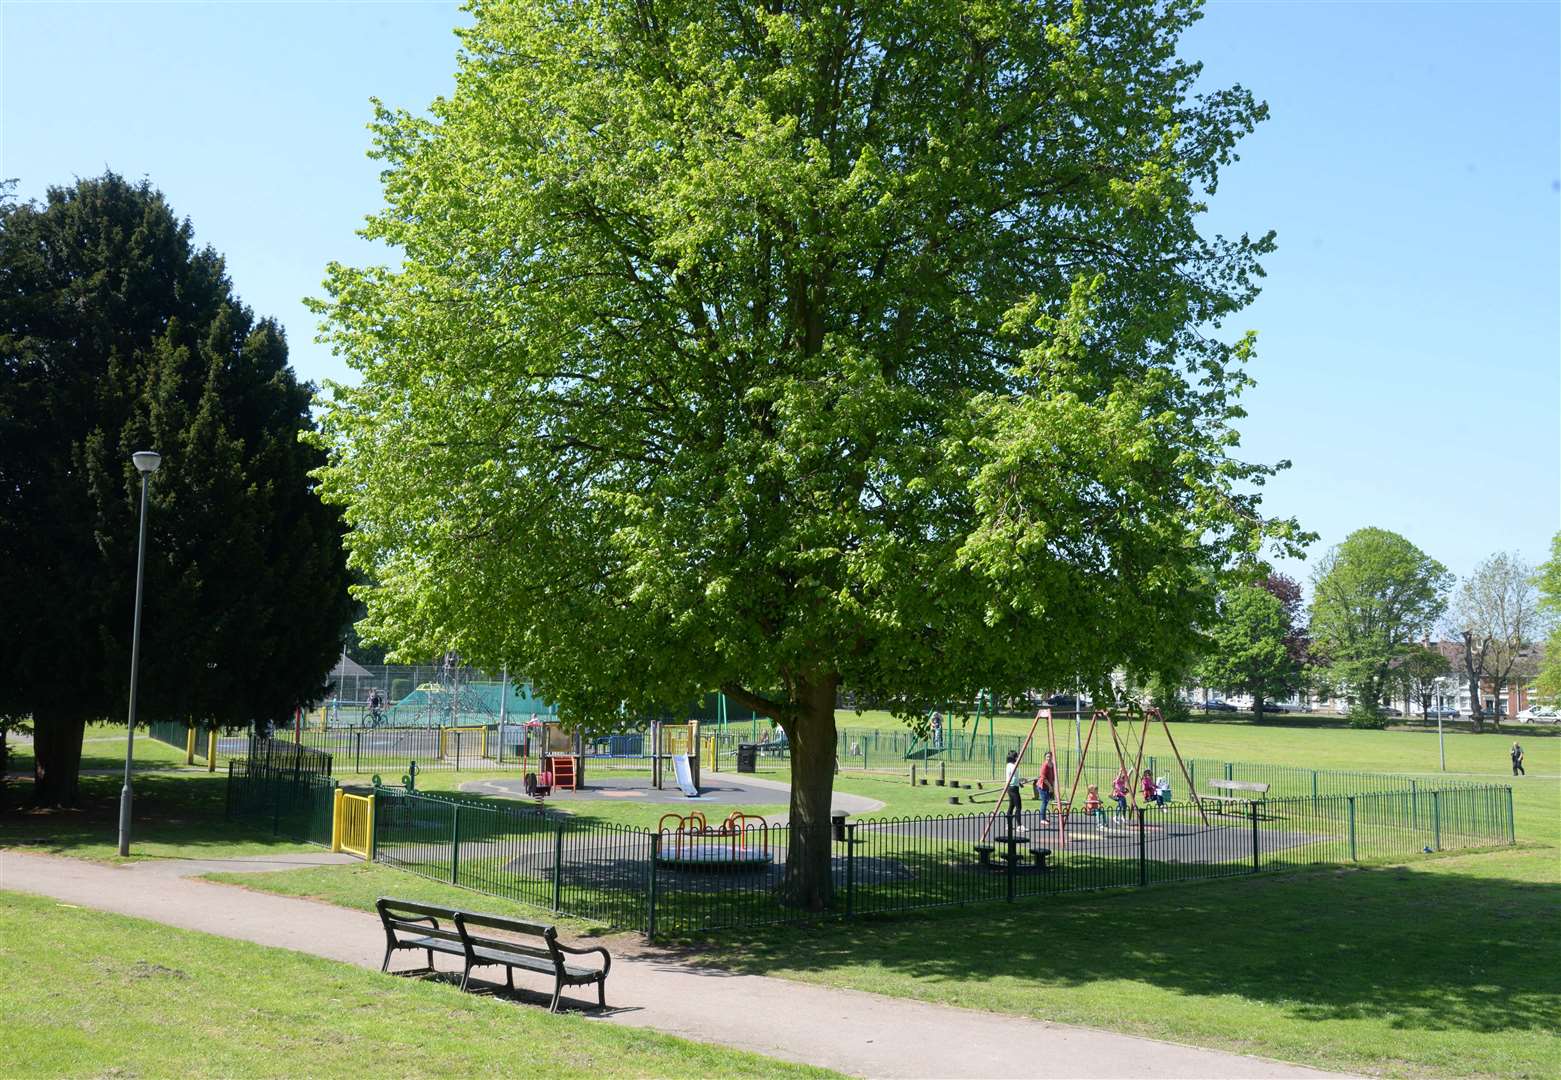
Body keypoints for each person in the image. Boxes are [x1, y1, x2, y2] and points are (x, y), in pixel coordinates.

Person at [1003, 749, 1026, 833]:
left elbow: (1014, 777)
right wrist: (1020, 780)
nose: (1017, 758)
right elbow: (1013, 777)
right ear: (1014, 758)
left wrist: (1020, 782)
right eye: (1016, 756)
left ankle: (1008, 824)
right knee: (1018, 807)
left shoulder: (1010, 765)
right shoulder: (1012, 765)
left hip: (1012, 787)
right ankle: (1019, 825)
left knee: (1011, 806)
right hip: (1012, 788)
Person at [1036, 750, 1057, 826]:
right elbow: (1043, 778)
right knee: (1044, 802)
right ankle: (1042, 819)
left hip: (1049, 786)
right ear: (1045, 757)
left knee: (1046, 801)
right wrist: (1050, 787)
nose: (1049, 758)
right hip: (1042, 786)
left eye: (1050, 756)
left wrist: (1053, 787)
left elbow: (1053, 777)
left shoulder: (1052, 765)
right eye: (1047, 756)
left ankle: (1044, 818)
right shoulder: (1044, 765)